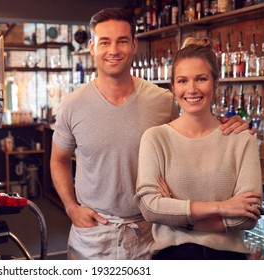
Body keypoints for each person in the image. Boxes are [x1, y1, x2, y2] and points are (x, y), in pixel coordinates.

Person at [50, 7, 249, 260]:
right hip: (92, 232)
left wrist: (229, 126)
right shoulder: (72, 104)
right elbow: (59, 159)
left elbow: (193, 129)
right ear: (92, 47)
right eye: (105, 42)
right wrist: (70, 207)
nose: (113, 50)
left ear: (134, 44)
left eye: (122, 41)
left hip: (149, 232)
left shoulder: (162, 100)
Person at [133, 37, 264, 260]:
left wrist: (178, 216)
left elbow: (247, 217)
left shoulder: (241, 139)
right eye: (182, 81)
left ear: (215, 83)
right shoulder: (156, 138)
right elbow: (151, 208)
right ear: (173, 87)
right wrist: (222, 207)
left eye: (201, 79)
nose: (191, 89)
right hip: (172, 259)